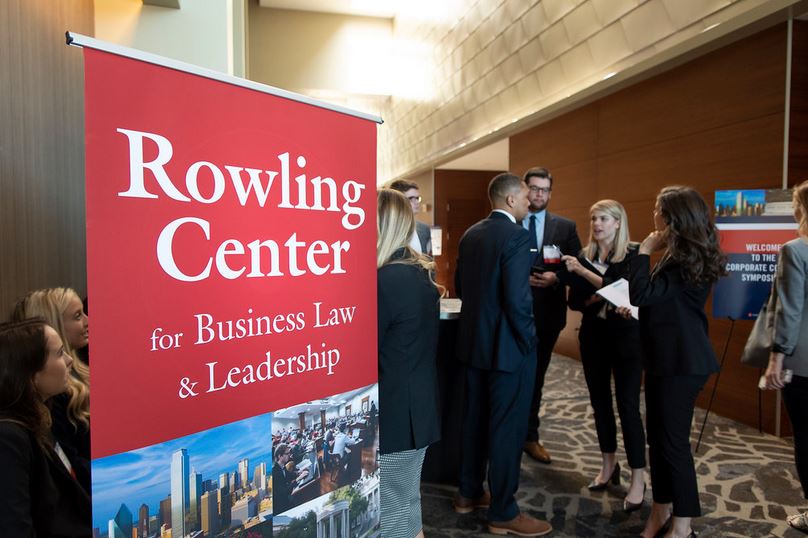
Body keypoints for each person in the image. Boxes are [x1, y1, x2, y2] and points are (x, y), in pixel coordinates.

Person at [454, 172, 551, 536]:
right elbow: (517, 300)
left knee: (474, 421)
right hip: (509, 350)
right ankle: (503, 512)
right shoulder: (517, 236)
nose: (529, 202)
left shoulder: (470, 234)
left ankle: (468, 493)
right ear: (510, 200)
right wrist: (530, 340)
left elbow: (462, 286)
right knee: (507, 430)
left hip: (473, 345)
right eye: (525, 196)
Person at [628, 186, 724, 538]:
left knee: (673, 444)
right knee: (658, 439)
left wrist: (643, 251)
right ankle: (660, 510)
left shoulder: (686, 258)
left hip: (683, 363)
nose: (653, 215)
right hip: (664, 359)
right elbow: (660, 304)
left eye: (657, 209)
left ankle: (683, 524)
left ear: (672, 218)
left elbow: (642, 294)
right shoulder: (680, 253)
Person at [563, 199, 646, 511]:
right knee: (600, 403)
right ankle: (608, 464)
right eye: (594, 218)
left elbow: (631, 293)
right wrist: (597, 295)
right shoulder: (585, 256)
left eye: (604, 219)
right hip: (594, 336)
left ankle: (638, 477)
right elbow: (575, 302)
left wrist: (589, 278)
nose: (597, 224)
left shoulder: (634, 254)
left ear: (618, 223)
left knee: (628, 406)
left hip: (626, 338)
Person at [376, 188, 442, 538]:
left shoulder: (383, 281)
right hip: (419, 410)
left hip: (395, 416)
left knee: (391, 517)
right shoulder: (419, 273)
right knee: (407, 506)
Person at [0, 318, 92, 536]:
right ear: (31, 374)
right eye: (59, 353)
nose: (69, 360)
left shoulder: (40, 417)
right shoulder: (8, 438)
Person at [522, 167, 582, 464]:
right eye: (534, 188)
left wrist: (556, 278)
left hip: (547, 315)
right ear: (524, 189)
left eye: (544, 190)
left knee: (537, 378)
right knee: (509, 376)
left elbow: (578, 268)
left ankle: (530, 436)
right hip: (514, 313)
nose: (539, 194)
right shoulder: (511, 221)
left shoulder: (565, 227)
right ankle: (504, 436)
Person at [12, 287, 91, 493]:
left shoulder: (82, 371)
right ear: (54, 325)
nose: (87, 321)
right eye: (77, 316)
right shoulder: (55, 395)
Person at [763, 179, 808, 533]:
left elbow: (789, 310)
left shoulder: (795, 249)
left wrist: (777, 358)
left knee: (805, 437)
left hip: (803, 362)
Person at [388, 179, 432, 255]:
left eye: (417, 198)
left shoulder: (424, 229)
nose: (417, 202)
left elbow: (427, 257)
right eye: (411, 198)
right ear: (397, 201)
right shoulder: (386, 227)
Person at [272, 442, 309, 515]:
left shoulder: (281, 466)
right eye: (287, 453)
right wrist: (298, 479)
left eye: (289, 453)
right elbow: (284, 492)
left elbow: (289, 475)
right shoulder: (275, 472)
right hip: (282, 505)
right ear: (280, 456)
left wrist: (299, 472)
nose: (289, 455)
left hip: (285, 497)